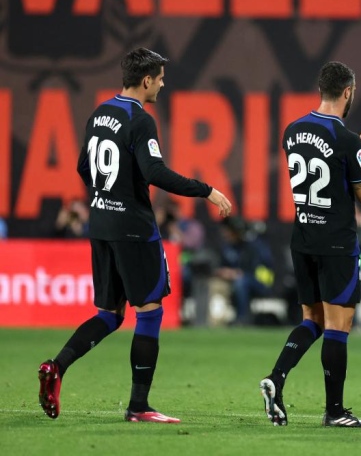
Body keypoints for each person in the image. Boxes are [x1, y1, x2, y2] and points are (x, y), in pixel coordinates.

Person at [37, 48, 232, 423]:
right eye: (159, 77)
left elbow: (83, 165)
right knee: (150, 311)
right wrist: (206, 190)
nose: (162, 83)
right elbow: (154, 171)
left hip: (102, 225)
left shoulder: (100, 114)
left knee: (109, 314)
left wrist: (105, 197)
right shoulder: (140, 120)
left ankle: (56, 366)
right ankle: (139, 406)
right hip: (134, 228)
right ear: (146, 81)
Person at [259, 61, 361, 428]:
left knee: (311, 319)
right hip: (336, 242)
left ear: (321, 89)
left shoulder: (292, 131)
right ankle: (335, 411)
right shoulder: (347, 139)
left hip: (303, 238)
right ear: (348, 91)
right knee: (338, 325)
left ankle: (277, 378)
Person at [217, 216, 276, 325]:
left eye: (228, 231)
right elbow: (220, 267)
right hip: (234, 280)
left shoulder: (252, 245)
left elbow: (255, 268)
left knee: (241, 282)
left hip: (260, 282)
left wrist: (235, 273)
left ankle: (242, 318)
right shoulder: (227, 247)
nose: (225, 233)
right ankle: (216, 320)